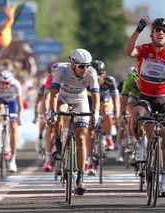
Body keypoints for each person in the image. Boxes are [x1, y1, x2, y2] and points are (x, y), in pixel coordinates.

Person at [125, 16, 165, 197]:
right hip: (146, 97)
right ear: (152, 34)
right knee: (136, 113)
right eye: (158, 30)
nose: (161, 33)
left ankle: (164, 182)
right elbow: (128, 52)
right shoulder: (144, 50)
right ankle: (140, 144)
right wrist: (138, 29)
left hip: (163, 100)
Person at [47, 48, 100, 195]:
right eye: (82, 66)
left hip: (80, 100)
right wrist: (52, 111)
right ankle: (58, 143)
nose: (85, 69)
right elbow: (54, 94)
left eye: (87, 65)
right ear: (73, 64)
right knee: (60, 112)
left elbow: (96, 96)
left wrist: (95, 113)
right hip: (63, 98)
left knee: (81, 138)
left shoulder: (91, 73)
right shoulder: (61, 70)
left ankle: (80, 178)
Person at [85, 59, 120, 175]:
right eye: (96, 73)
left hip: (105, 100)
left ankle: (108, 137)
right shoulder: (85, 81)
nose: (99, 76)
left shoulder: (110, 81)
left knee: (107, 111)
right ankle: (89, 160)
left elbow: (115, 99)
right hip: (90, 103)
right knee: (89, 132)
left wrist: (117, 112)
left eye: (101, 73)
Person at [0, 70, 23, 172]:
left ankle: (13, 159)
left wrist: (20, 116)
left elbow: (20, 104)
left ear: (11, 82)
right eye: (2, 83)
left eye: (7, 83)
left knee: (14, 128)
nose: (5, 85)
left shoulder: (16, 85)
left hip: (12, 102)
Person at [119, 66, 141, 156]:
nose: (140, 85)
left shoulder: (149, 82)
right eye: (138, 82)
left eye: (142, 82)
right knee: (131, 114)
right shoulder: (128, 82)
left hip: (146, 96)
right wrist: (122, 116)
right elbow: (124, 102)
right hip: (133, 97)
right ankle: (131, 140)